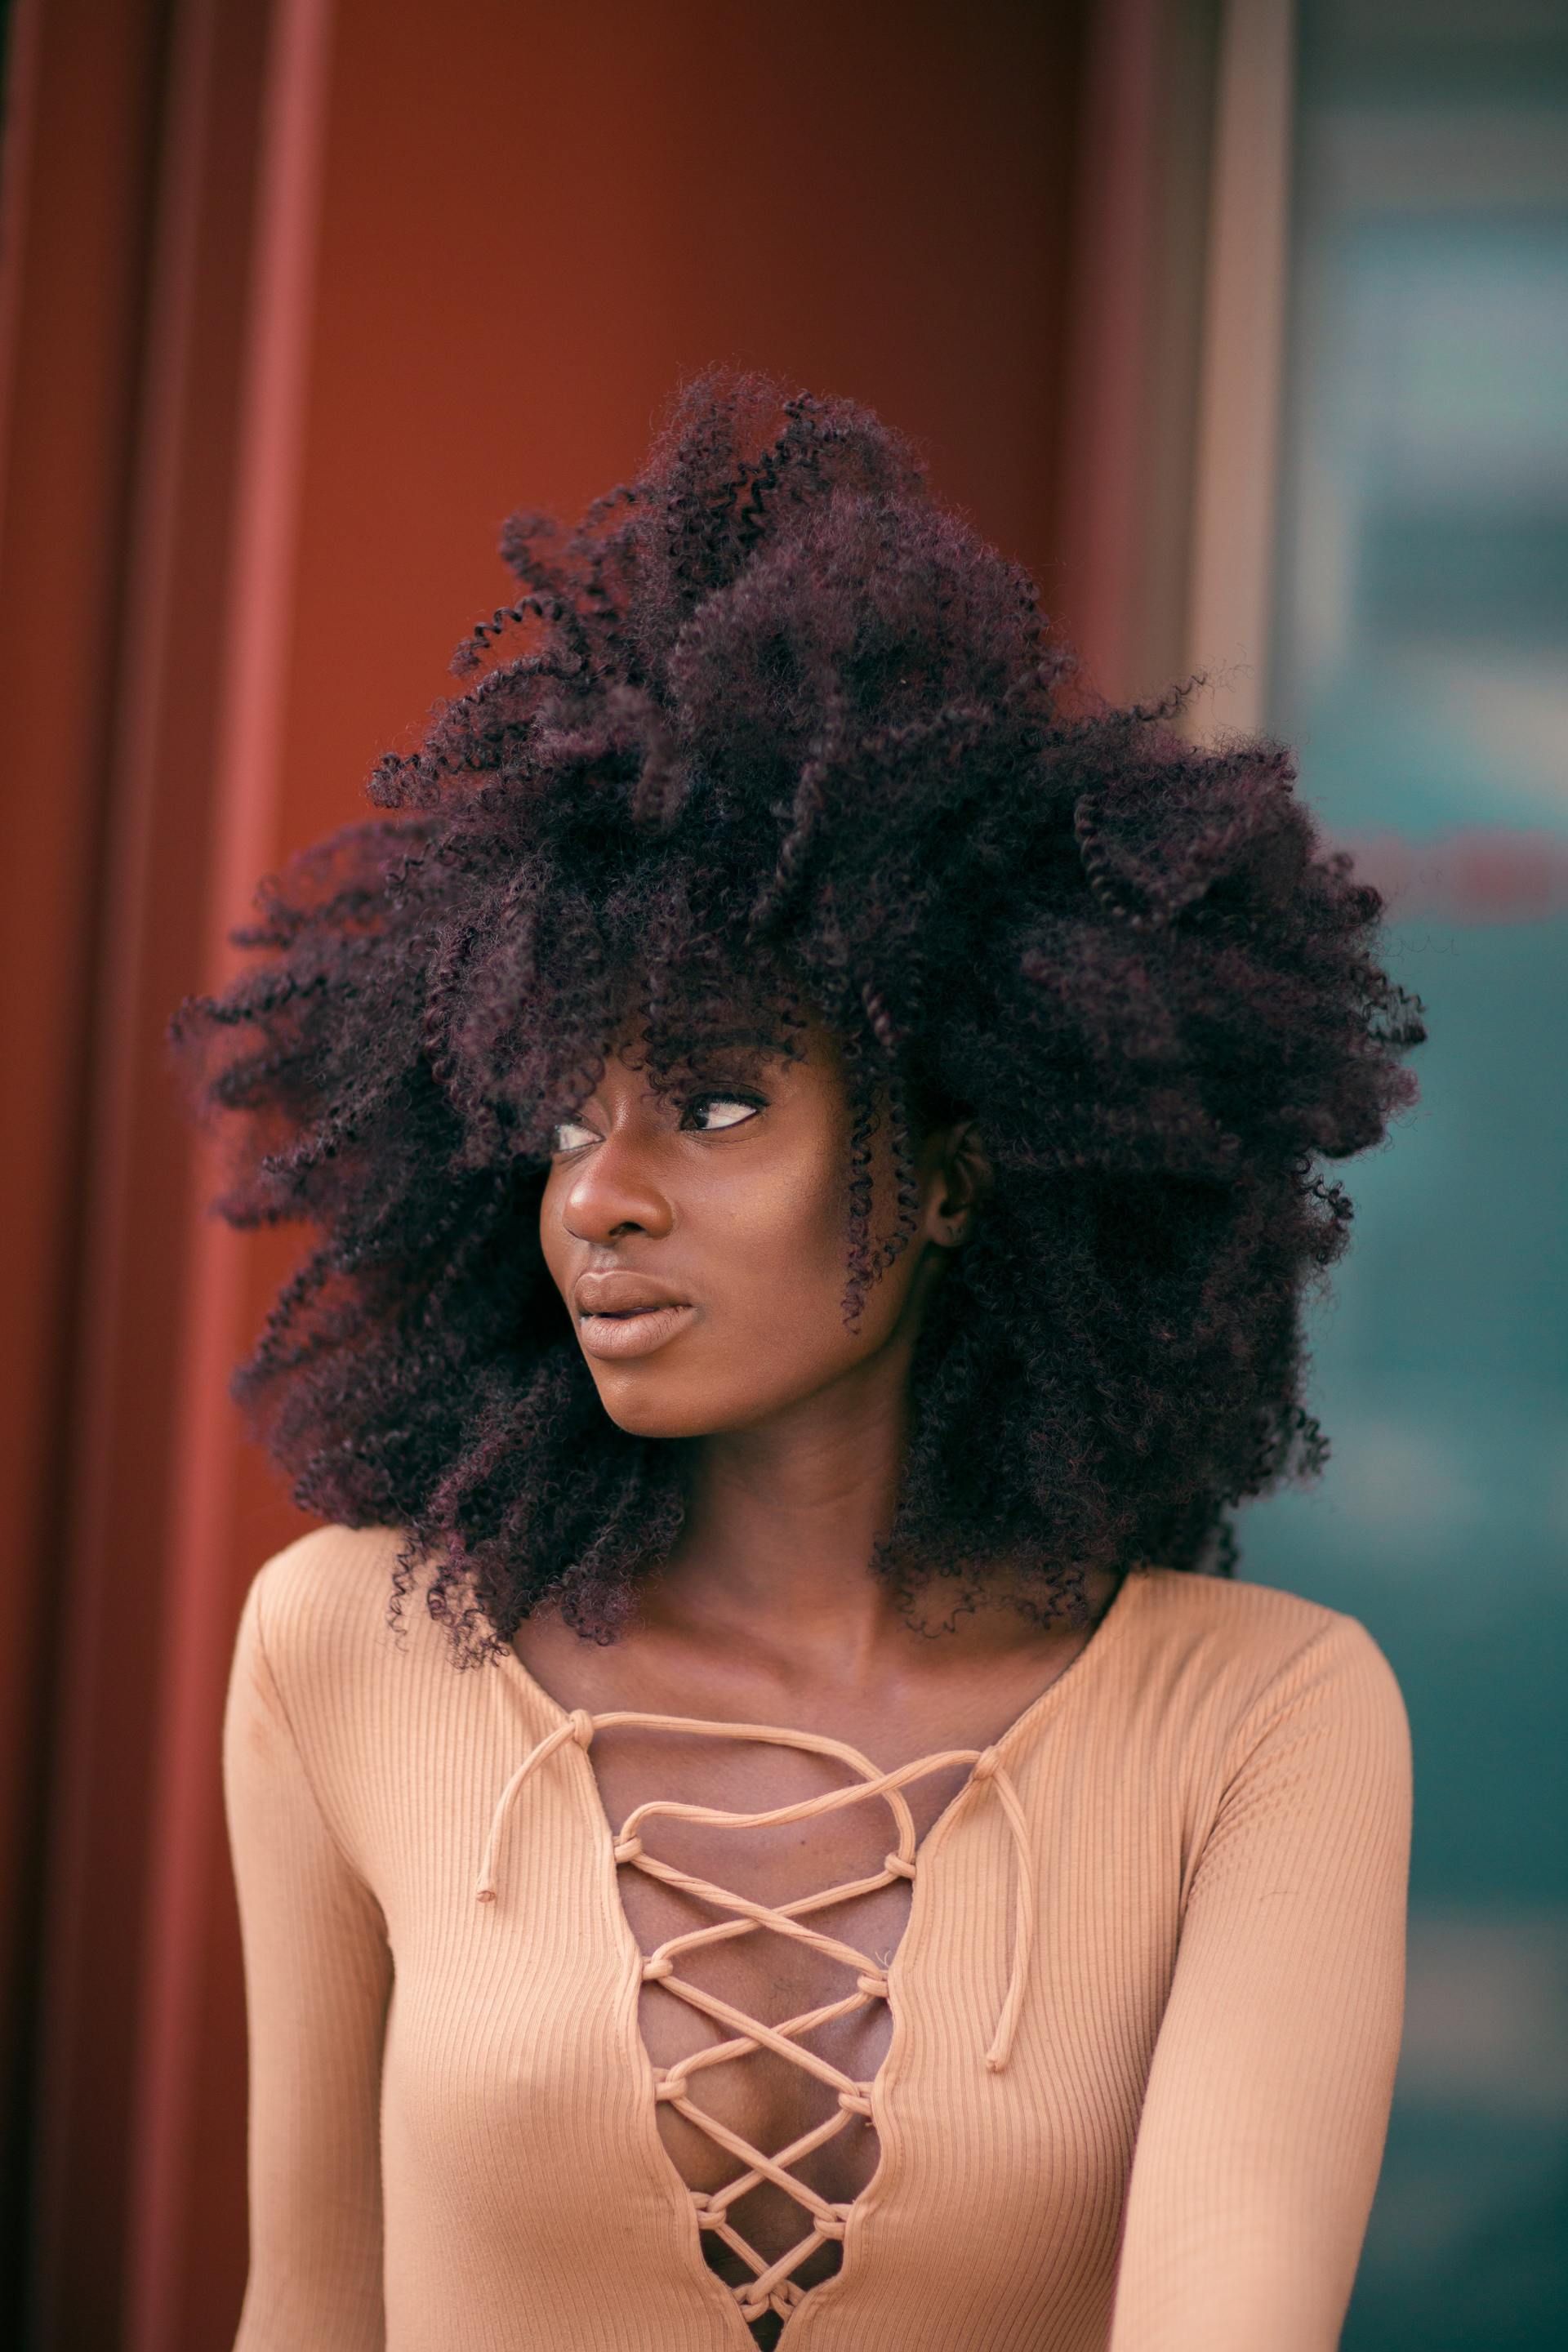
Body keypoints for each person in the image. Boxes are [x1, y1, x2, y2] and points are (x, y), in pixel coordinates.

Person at [176, 373, 1423, 2351]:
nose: (601, 1198)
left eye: (715, 1107)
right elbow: (304, 2313)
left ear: (958, 1167)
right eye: (561, 1120)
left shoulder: (1260, 1724)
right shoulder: (347, 1652)